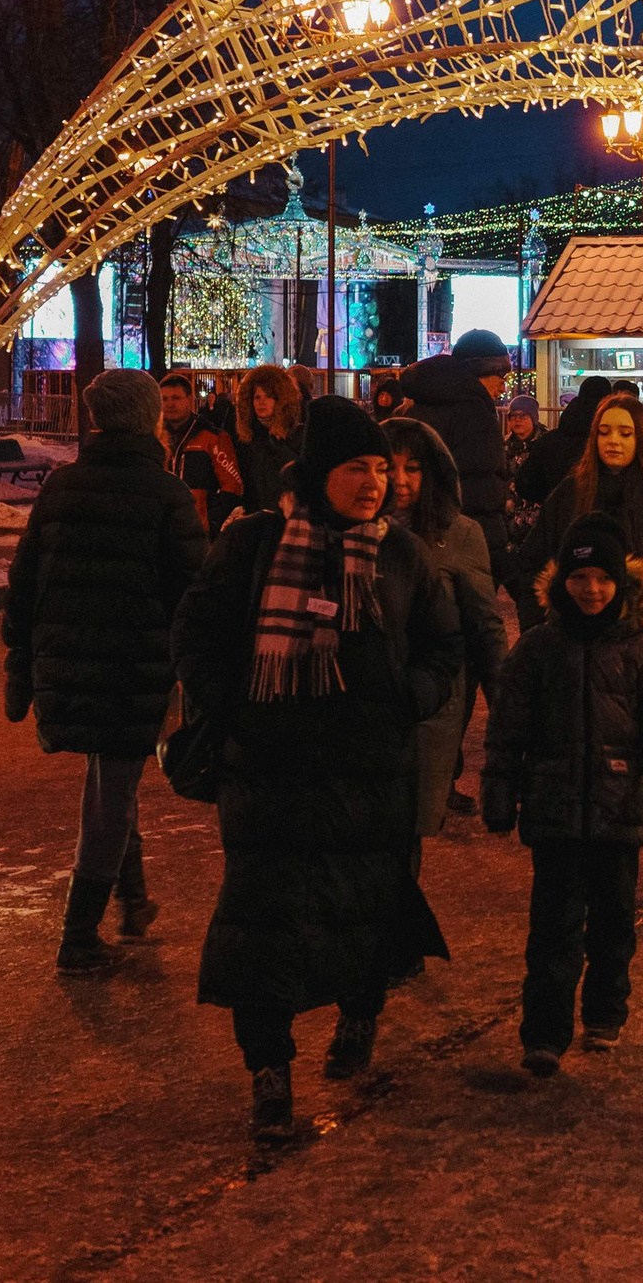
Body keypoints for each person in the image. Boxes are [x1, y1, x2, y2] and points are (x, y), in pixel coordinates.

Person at [170, 395, 465, 1140]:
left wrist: (412, 696)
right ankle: (269, 1071)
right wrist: (234, 703)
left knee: (367, 914)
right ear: (319, 472)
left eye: (383, 468)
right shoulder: (256, 545)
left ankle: (360, 1014)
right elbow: (195, 633)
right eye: (357, 468)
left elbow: (443, 648)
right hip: (269, 776)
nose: (377, 482)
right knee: (261, 925)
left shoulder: (401, 554)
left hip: (371, 777)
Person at [4, 370, 207, 975]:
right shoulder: (164, 494)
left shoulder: (63, 486)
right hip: (132, 668)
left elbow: (25, 579)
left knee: (111, 780)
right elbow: (193, 593)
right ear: (149, 419)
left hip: (67, 663)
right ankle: (78, 935)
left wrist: (20, 658)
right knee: (111, 792)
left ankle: (133, 899)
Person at [484, 512, 643, 1075]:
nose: (591, 589)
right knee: (552, 926)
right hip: (553, 809)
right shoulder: (537, 649)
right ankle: (544, 1033)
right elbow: (506, 732)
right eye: (579, 578)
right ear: (561, 583)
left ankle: (604, 1013)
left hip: (619, 808)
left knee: (613, 921)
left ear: (620, 582)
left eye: (602, 578)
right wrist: (500, 796)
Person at [381, 415, 509, 843]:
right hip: (368, 702)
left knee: (410, 827)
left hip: (434, 706)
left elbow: (486, 627)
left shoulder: (459, 535)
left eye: (412, 468)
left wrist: (508, 712)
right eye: (389, 466)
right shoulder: (356, 530)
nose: (399, 480)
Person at [519, 393, 643, 641]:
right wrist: (542, 626)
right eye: (604, 432)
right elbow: (532, 563)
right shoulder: (569, 494)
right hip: (570, 639)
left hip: (635, 647)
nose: (613, 441)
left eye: (625, 433)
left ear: (640, 439)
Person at [396, 328, 516, 570]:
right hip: (465, 538)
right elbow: (479, 485)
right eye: (501, 379)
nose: (503, 389)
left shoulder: (420, 405)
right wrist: (495, 546)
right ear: (483, 371)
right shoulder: (474, 412)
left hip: (420, 529)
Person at [158, 369, 243, 534]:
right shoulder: (154, 438)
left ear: (189, 400)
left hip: (198, 531)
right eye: (164, 399)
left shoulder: (212, 437)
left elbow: (233, 487)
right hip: (161, 529)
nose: (170, 404)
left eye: (176, 398)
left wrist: (209, 520)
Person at [516, 375, 613, 512]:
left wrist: (552, 497)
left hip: (558, 517)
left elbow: (524, 484)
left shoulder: (549, 440)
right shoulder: (605, 445)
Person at [234, 364, 306, 519]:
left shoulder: (297, 435)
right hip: (257, 521)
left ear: (281, 399)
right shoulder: (247, 440)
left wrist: (277, 443)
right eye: (257, 397)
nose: (262, 402)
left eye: (269, 396)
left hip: (290, 518)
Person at [501, 393, 543, 558]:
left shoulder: (545, 443)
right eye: (513, 416)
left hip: (536, 512)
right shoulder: (503, 446)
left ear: (533, 418)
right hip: (509, 511)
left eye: (522, 415)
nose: (517, 420)